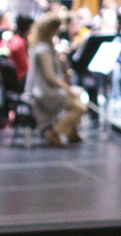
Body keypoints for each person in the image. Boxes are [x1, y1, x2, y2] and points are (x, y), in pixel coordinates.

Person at [24, 13, 87, 146]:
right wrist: (67, 88)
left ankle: (71, 132)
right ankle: (57, 131)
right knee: (80, 108)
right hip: (44, 92)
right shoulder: (43, 50)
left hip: (48, 89)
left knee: (80, 95)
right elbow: (50, 76)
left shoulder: (45, 47)